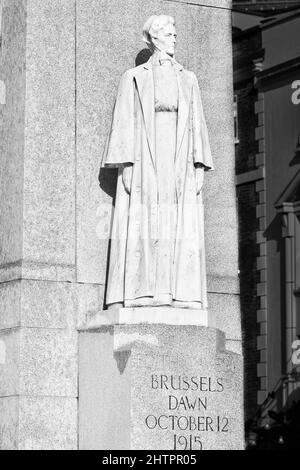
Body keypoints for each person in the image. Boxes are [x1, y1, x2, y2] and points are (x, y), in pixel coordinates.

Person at [101, 15, 213, 310]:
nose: (174, 38)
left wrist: (199, 163)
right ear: (153, 39)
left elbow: (197, 126)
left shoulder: (188, 78)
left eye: (175, 34)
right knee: (147, 220)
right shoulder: (134, 77)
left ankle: (178, 293)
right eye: (168, 34)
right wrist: (126, 163)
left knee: (177, 221)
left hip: (179, 154)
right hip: (146, 154)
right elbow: (124, 122)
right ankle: (144, 291)